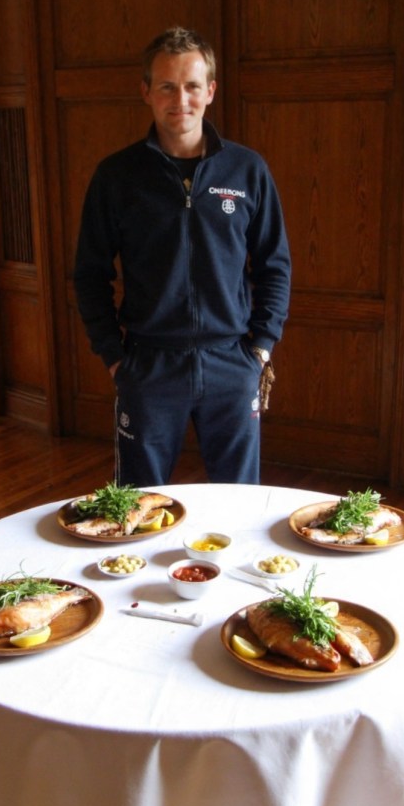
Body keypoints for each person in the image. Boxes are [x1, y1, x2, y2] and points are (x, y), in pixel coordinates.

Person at [74, 26, 291, 486]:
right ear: (146, 92)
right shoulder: (117, 176)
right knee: (136, 508)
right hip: (149, 367)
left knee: (239, 506)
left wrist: (261, 348)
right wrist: (114, 357)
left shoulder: (247, 170)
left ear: (210, 91)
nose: (181, 99)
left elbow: (274, 264)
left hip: (232, 364)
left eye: (192, 86)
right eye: (167, 86)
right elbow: (89, 274)